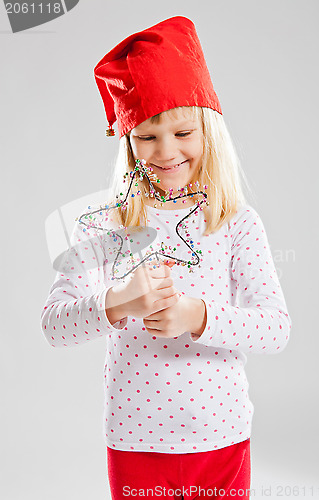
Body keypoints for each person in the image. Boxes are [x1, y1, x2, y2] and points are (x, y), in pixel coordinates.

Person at [41, 16, 292, 500]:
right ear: (127, 142)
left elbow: (276, 328)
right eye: (147, 137)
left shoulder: (236, 222)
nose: (167, 151)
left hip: (221, 437)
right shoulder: (103, 224)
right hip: (136, 440)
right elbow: (53, 326)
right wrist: (119, 302)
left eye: (183, 133)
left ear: (209, 131)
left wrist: (197, 316)